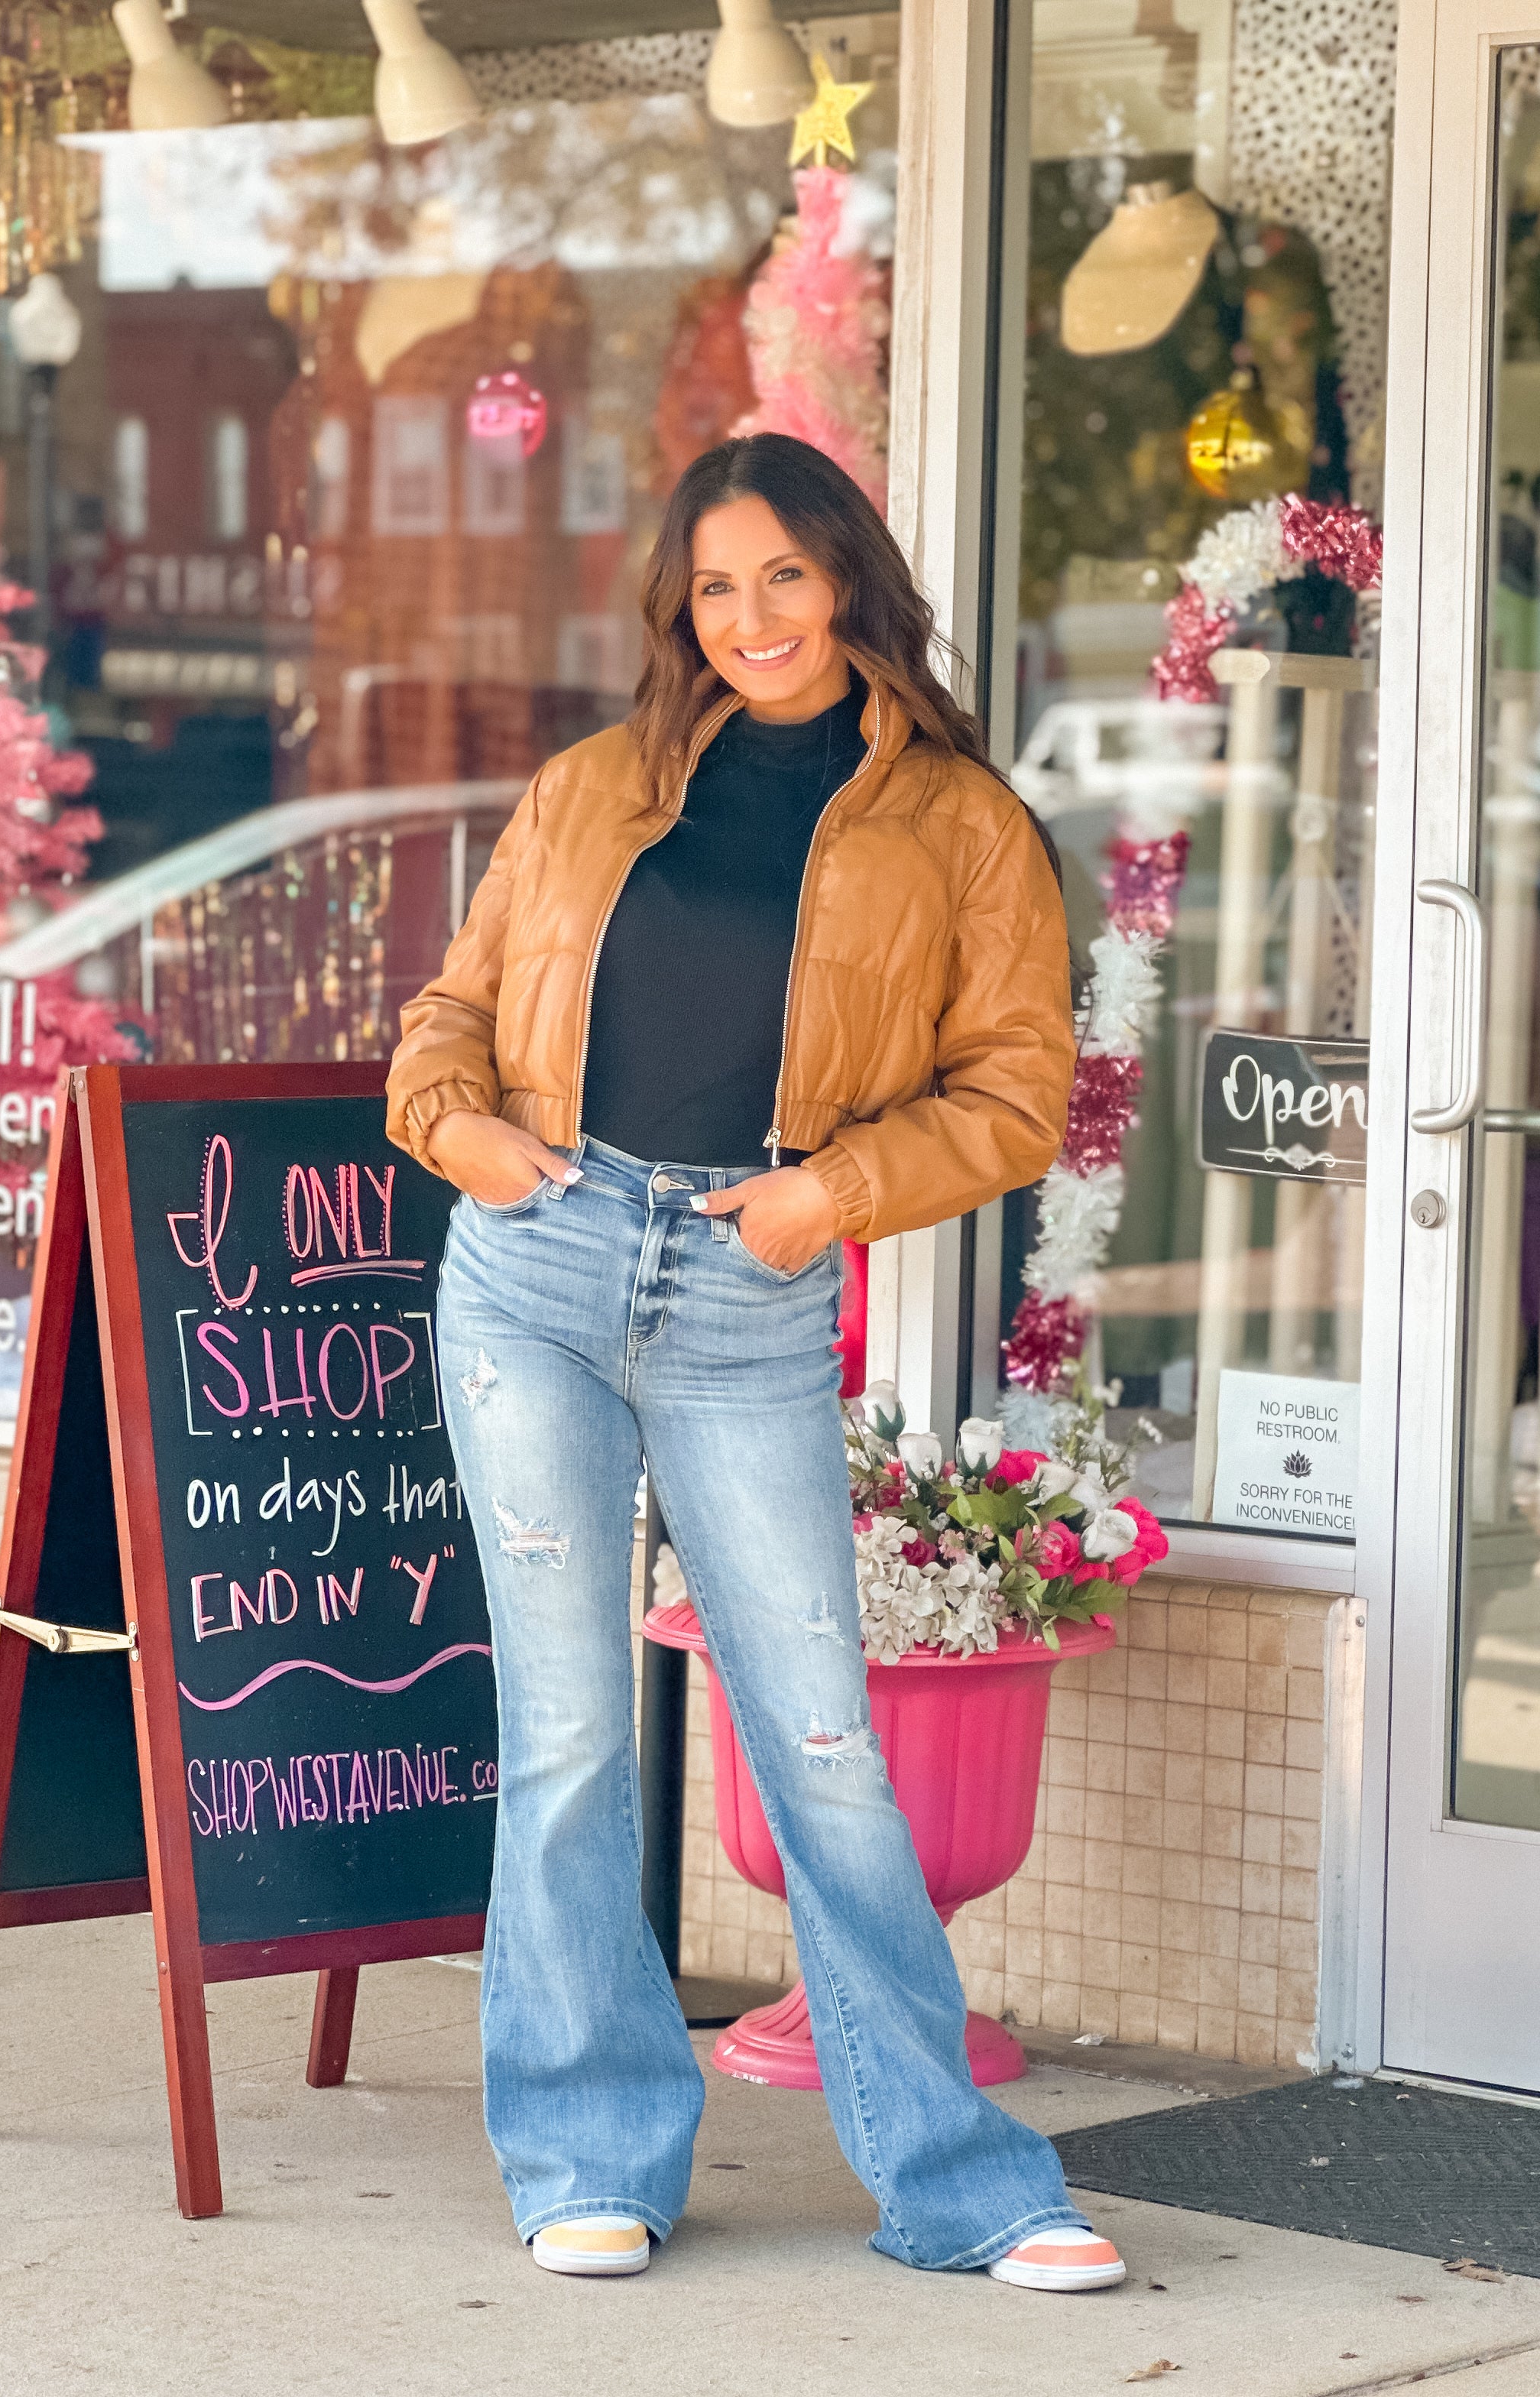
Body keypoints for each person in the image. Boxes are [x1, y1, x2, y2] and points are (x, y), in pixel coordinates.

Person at [385, 432, 1123, 2295]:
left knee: (821, 1744)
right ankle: (587, 2149)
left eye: (782, 575)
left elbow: (1018, 1095)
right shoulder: (591, 783)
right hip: (535, 1267)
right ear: (680, 606)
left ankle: (962, 2180)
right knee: (560, 1740)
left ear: (849, 579)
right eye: (716, 586)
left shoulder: (963, 825)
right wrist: (465, 1135)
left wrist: (829, 1199)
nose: (751, 617)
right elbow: (448, 1016)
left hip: (745, 1288)